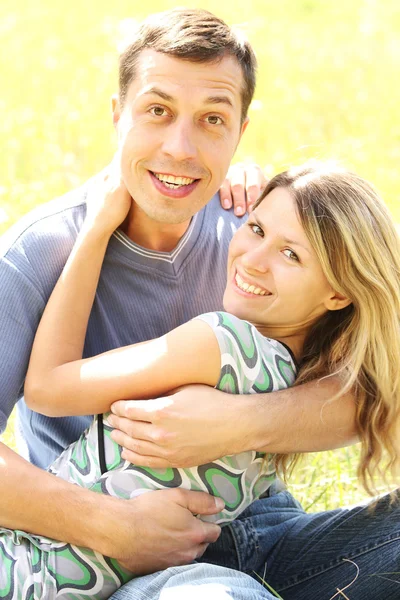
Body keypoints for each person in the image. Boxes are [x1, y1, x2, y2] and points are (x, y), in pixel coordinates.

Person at [0, 7, 389, 600]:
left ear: (239, 131)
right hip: (111, 545)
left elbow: (371, 385)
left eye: (212, 120)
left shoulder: (251, 230)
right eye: (157, 111)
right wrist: (112, 525)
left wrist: (236, 423)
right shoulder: (38, 252)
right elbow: (51, 388)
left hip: (258, 521)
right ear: (116, 115)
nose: (181, 149)